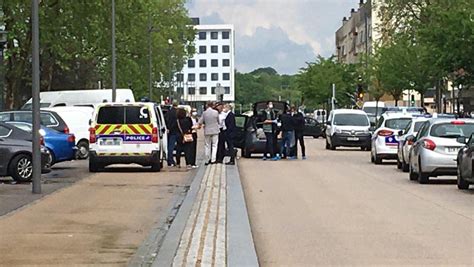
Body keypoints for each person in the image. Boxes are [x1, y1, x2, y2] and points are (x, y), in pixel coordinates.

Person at [165, 101, 179, 167]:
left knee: (170, 147)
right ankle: (172, 161)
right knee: (176, 147)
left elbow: (166, 120)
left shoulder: (169, 112)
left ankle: (169, 160)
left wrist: (168, 128)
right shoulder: (177, 112)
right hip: (176, 131)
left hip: (169, 131)